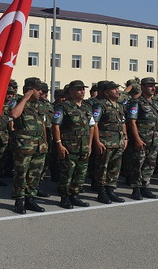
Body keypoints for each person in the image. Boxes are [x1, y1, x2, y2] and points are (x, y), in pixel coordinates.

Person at [52, 80, 95, 209]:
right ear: (71, 91)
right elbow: (56, 125)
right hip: (69, 147)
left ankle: (74, 195)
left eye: (83, 89)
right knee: (67, 173)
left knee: (81, 173)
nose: (82, 91)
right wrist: (59, 144)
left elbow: (92, 126)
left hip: (84, 146)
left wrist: (90, 144)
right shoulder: (63, 107)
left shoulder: (86, 107)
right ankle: (64, 197)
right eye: (78, 89)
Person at [9, 77, 48, 214]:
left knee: (35, 174)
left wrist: (45, 141)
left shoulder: (41, 104)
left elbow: (43, 124)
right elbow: (13, 115)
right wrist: (25, 99)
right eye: (38, 89)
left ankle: (30, 199)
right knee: (21, 174)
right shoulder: (18, 101)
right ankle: (19, 201)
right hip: (24, 145)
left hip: (39, 144)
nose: (41, 92)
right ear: (30, 90)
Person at [126, 77, 158, 200]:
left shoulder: (156, 103)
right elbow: (132, 122)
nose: (153, 88)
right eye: (149, 86)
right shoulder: (136, 103)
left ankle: (145, 187)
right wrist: (137, 139)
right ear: (142, 87)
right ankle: (136, 189)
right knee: (138, 164)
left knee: (150, 164)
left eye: (153, 86)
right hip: (142, 139)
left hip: (154, 139)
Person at [91, 81, 127, 203]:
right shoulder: (100, 105)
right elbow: (94, 124)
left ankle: (110, 190)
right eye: (114, 89)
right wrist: (97, 141)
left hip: (118, 142)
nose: (117, 91)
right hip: (105, 142)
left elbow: (123, 123)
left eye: (117, 88)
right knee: (103, 168)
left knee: (115, 168)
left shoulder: (119, 105)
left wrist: (125, 138)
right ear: (106, 92)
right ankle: (101, 192)